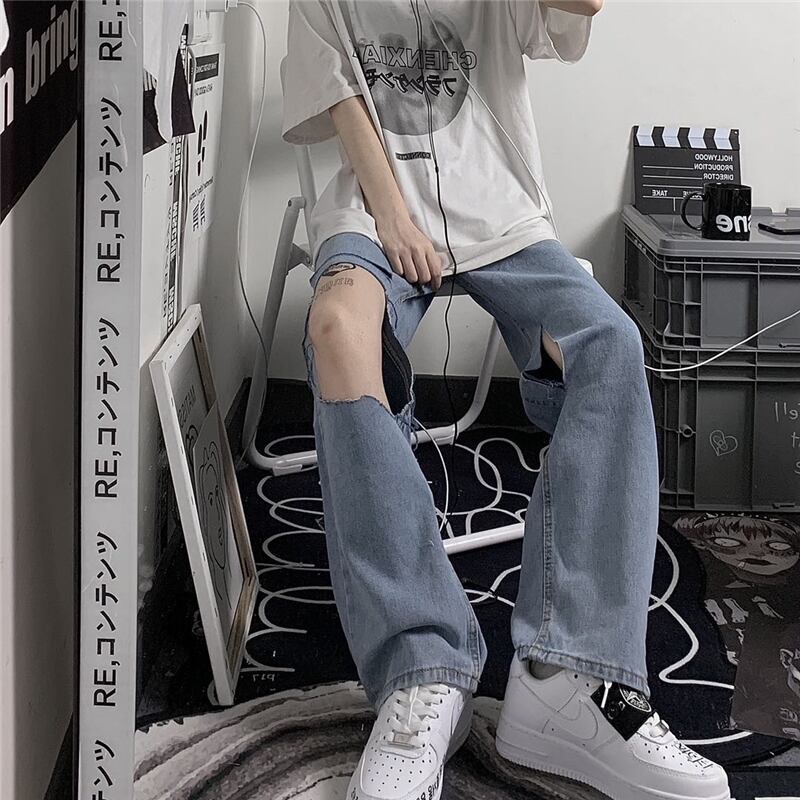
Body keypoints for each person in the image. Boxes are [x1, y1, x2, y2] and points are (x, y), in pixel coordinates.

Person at [280, 2, 730, 798]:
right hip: (374, 208)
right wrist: (393, 215)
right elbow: (337, 91)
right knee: (339, 328)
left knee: (608, 341)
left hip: (501, 211)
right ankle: (422, 666)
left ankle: (570, 677)